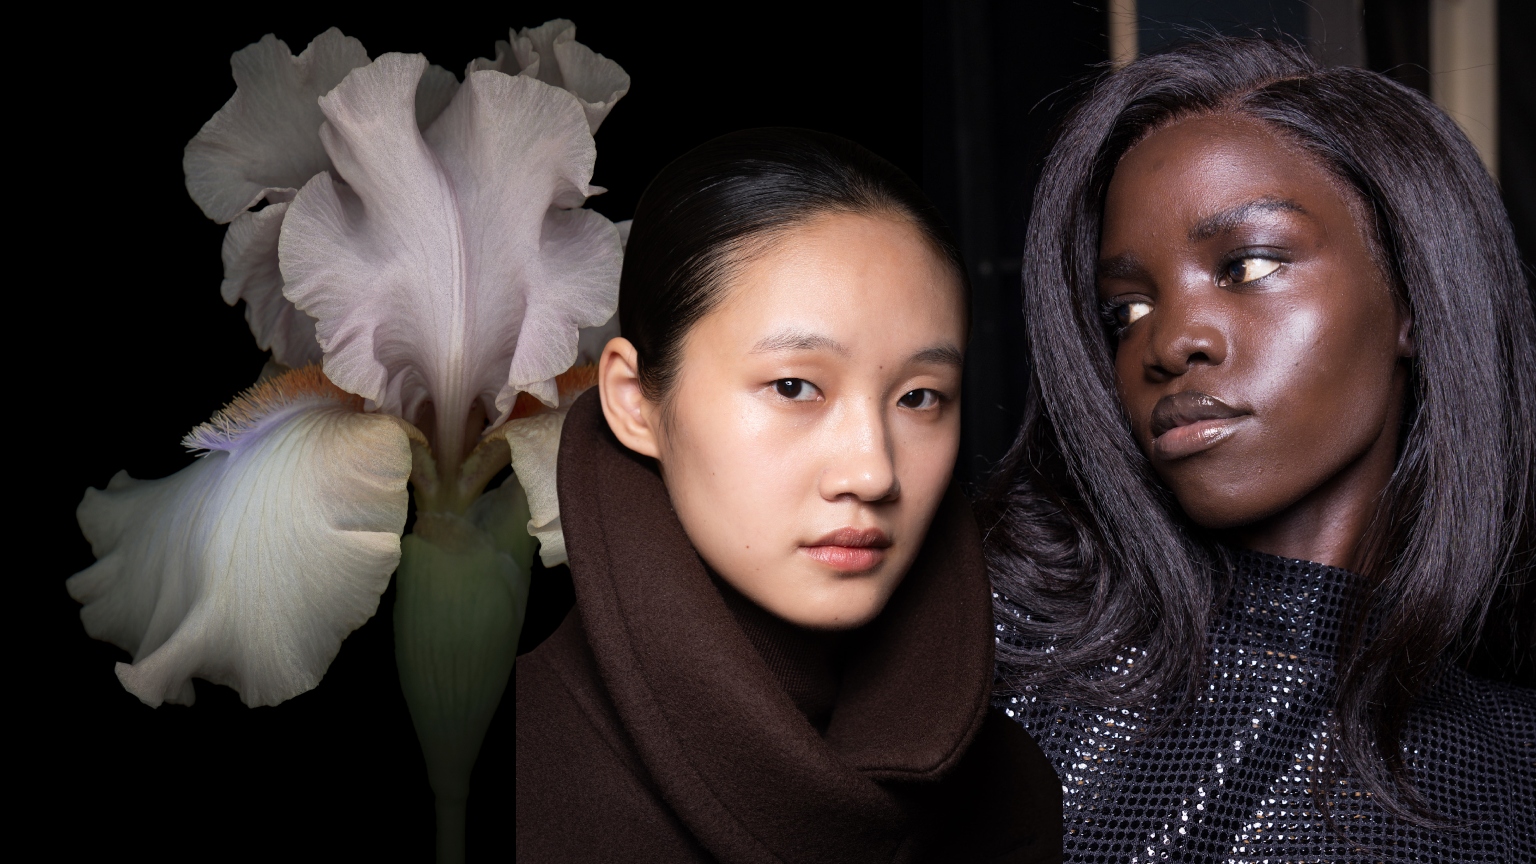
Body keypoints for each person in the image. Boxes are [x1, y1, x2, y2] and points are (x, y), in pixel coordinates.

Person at [983, 38, 1535, 862]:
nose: (1171, 342)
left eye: (1245, 265)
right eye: (1124, 312)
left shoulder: (1512, 765)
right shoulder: (1000, 660)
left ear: (1413, 295)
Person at [515, 128, 1063, 862]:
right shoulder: (499, 771)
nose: (872, 474)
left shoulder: (1011, 786)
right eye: (795, 386)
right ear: (634, 402)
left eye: (921, 397)